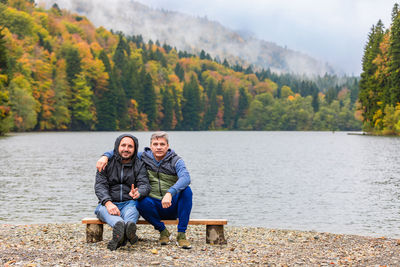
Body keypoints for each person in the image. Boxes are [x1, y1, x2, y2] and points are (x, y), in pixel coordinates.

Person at [96, 131, 193, 249]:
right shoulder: (143, 157)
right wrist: (105, 156)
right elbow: (122, 152)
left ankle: (181, 235)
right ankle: (160, 231)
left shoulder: (176, 161)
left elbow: (186, 178)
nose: (158, 147)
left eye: (162, 144)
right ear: (150, 146)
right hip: (151, 206)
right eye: (155, 144)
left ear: (167, 146)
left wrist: (169, 193)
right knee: (141, 202)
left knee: (187, 191)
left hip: (170, 204)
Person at [94, 134, 151, 251]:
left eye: (130, 146)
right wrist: (108, 203)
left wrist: (139, 192)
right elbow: (100, 186)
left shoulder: (139, 165)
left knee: (133, 211)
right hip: (107, 203)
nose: (126, 149)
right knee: (105, 211)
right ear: (117, 146)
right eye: (123, 145)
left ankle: (126, 230)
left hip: (129, 203)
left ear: (135, 149)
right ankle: (122, 230)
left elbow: (145, 185)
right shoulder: (105, 163)